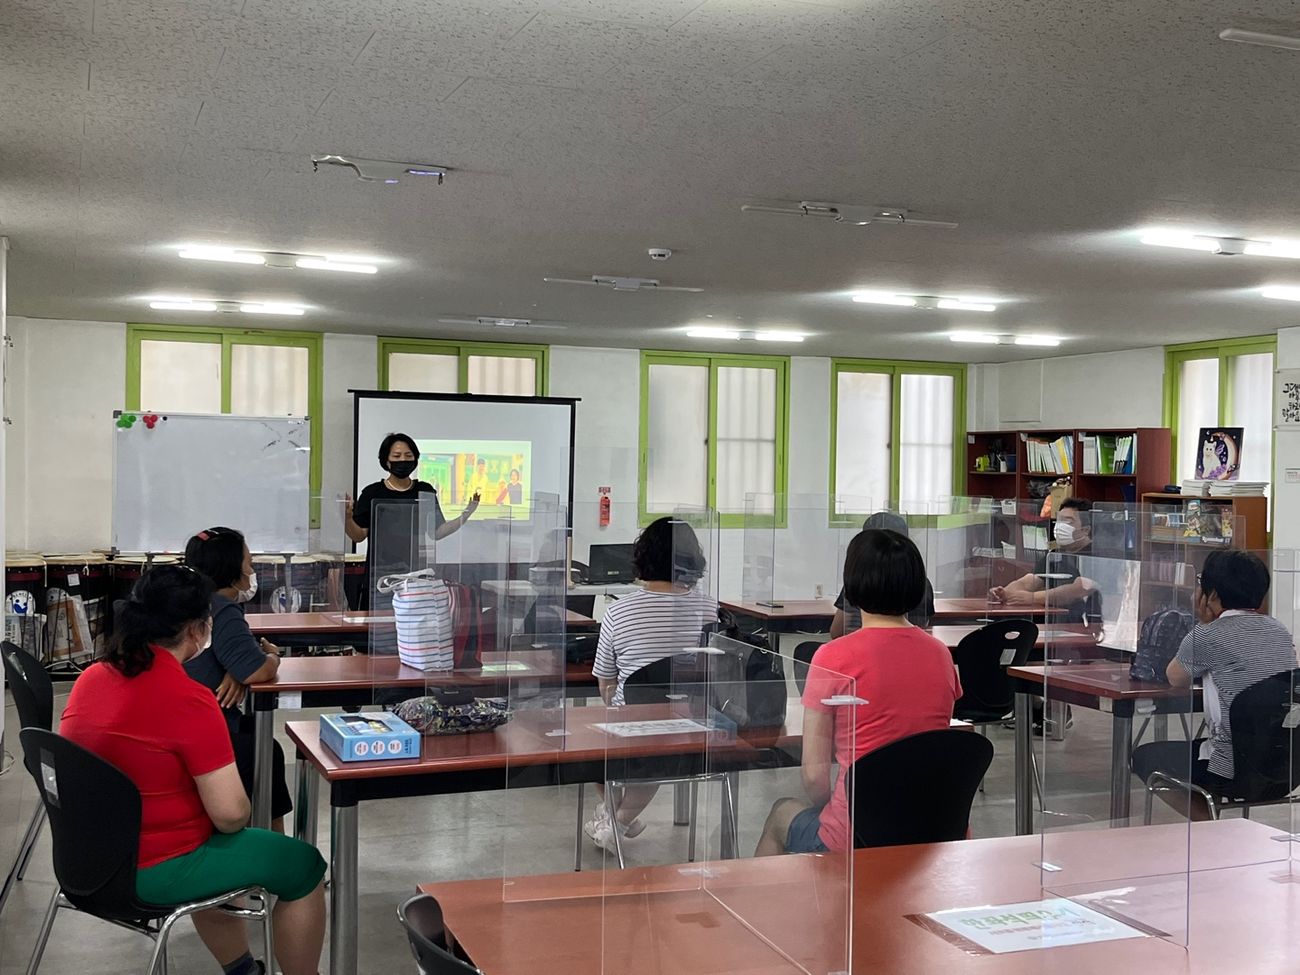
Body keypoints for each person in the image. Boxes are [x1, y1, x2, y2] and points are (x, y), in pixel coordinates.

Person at [60, 565, 326, 975]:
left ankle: (243, 970)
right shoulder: (188, 699)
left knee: (214, 844)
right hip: (152, 870)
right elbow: (232, 815)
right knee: (304, 866)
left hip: (82, 861)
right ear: (197, 630)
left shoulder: (91, 678)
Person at [755, 528, 961, 856]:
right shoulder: (940, 655)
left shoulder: (832, 657)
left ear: (851, 584)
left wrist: (832, 807)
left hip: (856, 835)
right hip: (933, 829)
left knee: (781, 813)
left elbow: (814, 776)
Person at [1131, 550, 1297, 820]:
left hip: (1228, 769)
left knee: (1145, 756)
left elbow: (1175, 676)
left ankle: (1208, 826)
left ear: (1213, 594)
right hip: (1284, 766)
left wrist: (1204, 623)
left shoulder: (1207, 634)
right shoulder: (1279, 630)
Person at [586, 517, 717, 853]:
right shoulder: (710, 608)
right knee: (657, 743)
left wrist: (622, 707)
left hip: (634, 725)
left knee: (590, 745)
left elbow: (605, 682)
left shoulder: (619, 611)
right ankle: (619, 819)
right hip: (694, 724)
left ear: (643, 557)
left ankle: (617, 820)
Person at [183, 526, 293, 832]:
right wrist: (273, 656)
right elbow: (258, 671)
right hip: (207, 728)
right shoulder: (223, 609)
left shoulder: (193, 602)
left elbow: (238, 658)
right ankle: (272, 842)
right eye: (248, 562)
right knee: (265, 751)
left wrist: (235, 667)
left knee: (262, 743)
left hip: (186, 722)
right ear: (231, 569)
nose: (252, 570)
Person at [344, 433, 479, 609]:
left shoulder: (424, 491)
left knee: (415, 623)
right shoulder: (372, 492)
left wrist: (466, 515)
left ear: (415, 459)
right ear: (386, 461)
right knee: (381, 623)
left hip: (417, 575)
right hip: (380, 577)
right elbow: (359, 535)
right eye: (397, 456)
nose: (403, 460)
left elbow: (437, 532)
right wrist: (347, 518)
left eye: (408, 455)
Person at [988, 497, 1100, 622]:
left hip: (1088, 624)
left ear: (1085, 530)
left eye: (1068, 521)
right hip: (1057, 623)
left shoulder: (1096, 554)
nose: (1059, 526)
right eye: (1059, 520)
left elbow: (1079, 589)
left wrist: (1032, 597)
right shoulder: (1054, 555)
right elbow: (1028, 581)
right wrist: (1004, 593)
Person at [828, 511, 935, 639]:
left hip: (861, 644)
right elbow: (924, 625)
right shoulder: (920, 582)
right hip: (910, 645)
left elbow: (837, 631)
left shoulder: (861, 580)